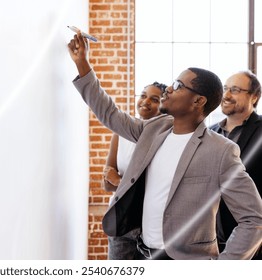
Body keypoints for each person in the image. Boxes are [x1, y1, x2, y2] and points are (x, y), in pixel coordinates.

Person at [67, 33, 262, 259]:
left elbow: (254, 218)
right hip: (144, 253)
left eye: (178, 85)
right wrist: (82, 63)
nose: (168, 89)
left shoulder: (220, 150)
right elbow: (110, 114)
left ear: (199, 101)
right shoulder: (153, 130)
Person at [103, 82, 167, 260]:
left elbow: (156, 186)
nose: (145, 101)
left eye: (154, 99)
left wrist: (118, 181)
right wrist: (115, 181)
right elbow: (107, 184)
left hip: (150, 224)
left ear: (164, 106)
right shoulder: (120, 133)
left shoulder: (165, 138)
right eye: (143, 95)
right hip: (121, 219)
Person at [210, 71, 262, 259]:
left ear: (254, 96)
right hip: (212, 235)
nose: (227, 95)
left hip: (251, 238)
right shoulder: (210, 132)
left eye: (235, 89)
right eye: (225, 88)